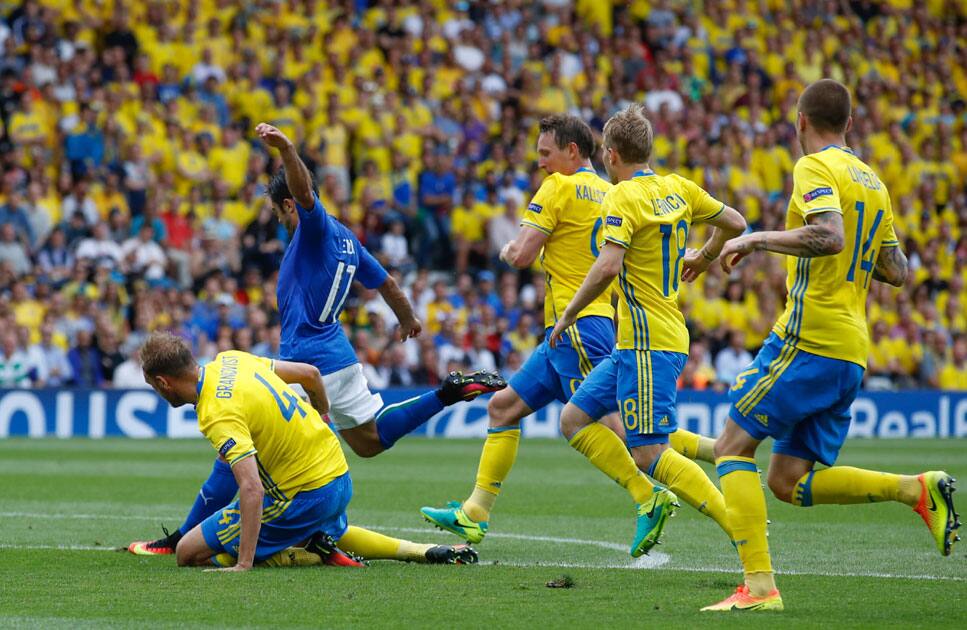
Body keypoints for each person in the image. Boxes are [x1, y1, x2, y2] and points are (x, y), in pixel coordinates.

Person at [129, 123, 505, 555]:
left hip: (306, 361)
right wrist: (408, 321)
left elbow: (306, 195)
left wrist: (288, 150)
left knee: (237, 450)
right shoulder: (348, 240)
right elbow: (388, 285)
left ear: (287, 205)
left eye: (278, 212)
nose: (280, 221)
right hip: (339, 356)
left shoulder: (314, 228)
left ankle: (189, 537)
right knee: (370, 440)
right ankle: (446, 392)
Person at [702, 80, 960, 612]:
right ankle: (915, 491)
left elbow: (831, 236)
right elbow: (898, 270)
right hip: (851, 349)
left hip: (809, 337)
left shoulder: (814, 166)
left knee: (731, 448)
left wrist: (754, 239)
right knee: (787, 480)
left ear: (801, 121)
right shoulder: (874, 182)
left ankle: (758, 588)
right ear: (850, 122)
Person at [421, 114, 719, 547]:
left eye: (546, 153)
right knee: (503, 407)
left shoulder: (558, 187)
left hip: (576, 325)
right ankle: (474, 512)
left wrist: (505, 249)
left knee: (620, 426)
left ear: (573, 151)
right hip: (585, 325)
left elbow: (521, 254)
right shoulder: (611, 190)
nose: (540, 163)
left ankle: (665, 483)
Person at [543, 104, 747, 555]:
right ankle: (651, 498)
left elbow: (607, 266)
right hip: (637, 342)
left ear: (611, 156)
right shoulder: (679, 188)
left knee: (650, 452)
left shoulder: (621, 197)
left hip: (649, 343)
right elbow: (734, 223)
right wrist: (705, 256)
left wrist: (569, 312)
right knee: (574, 419)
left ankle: (741, 527)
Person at [136, 332, 477, 570]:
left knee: (188, 553)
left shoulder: (216, 412)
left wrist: (244, 563)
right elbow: (311, 376)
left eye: (154, 386)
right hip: (337, 473)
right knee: (330, 529)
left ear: (163, 382)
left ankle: (310, 553)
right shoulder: (230, 360)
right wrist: (321, 416)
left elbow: (251, 488)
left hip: (303, 494)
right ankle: (424, 551)